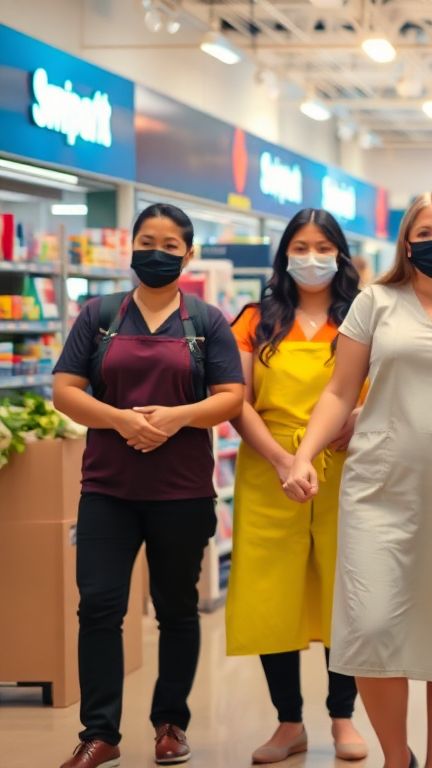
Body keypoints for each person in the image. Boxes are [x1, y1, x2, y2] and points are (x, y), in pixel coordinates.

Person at [282, 192, 432, 768]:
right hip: (378, 491)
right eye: (423, 231)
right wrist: (304, 455)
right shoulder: (375, 303)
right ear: (407, 243)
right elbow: (341, 391)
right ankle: (399, 757)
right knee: (370, 629)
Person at [51, 203, 245, 768]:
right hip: (107, 490)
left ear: (189, 254)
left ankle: (170, 724)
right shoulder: (100, 315)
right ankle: (100, 733)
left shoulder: (205, 322)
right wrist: (122, 420)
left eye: (169, 244)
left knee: (177, 608)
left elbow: (231, 397)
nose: (156, 253)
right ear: (130, 247)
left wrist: (176, 417)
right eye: (146, 241)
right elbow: (65, 389)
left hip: (181, 492)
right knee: (100, 607)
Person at [225, 209, 368, 763]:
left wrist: (357, 415)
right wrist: (284, 460)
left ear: (341, 253)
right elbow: (235, 398)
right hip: (268, 467)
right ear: (284, 254)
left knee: (345, 591)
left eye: (323, 246)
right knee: (272, 594)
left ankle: (342, 718)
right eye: (301, 246)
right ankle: (288, 723)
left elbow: (384, 382)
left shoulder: (363, 314)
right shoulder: (255, 320)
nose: (312, 257)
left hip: (348, 464)